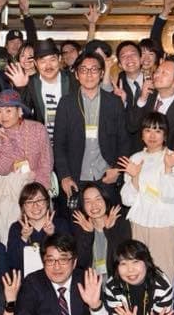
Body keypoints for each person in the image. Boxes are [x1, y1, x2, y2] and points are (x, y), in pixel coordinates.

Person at [53, 52, 129, 206]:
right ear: (76, 74)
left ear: (102, 73)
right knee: (77, 220)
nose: (89, 74)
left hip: (106, 177)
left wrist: (118, 170)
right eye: (83, 70)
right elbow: (59, 144)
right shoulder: (66, 103)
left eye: (94, 69)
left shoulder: (114, 102)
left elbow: (124, 141)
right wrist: (65, 176)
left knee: (109, 219)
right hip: (76, 179)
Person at [118, 112, 174, 283]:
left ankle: (166, 301)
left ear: (165, 135)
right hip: (139, 221)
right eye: (148, 130)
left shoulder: (173, 157)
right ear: (141, 134)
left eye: (158, 131)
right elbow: (127, 200)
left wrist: (168, 169)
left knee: (164, 270)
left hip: (164, 222)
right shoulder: (135, 158)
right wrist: (134, 177)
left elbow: (171, 197)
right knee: (138, 269)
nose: (152, 135)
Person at [0, 90, 53, 244]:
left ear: (20, 111)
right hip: (7, 193)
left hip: (36, 188)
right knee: (11, 237)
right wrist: (6, 143)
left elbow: (46, 162)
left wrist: (38, 193)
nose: (3, 116)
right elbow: (0, 169)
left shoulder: (37, 129)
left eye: (8, 111)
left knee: (41, 236)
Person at [11, 39, 76, 148]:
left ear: (60, 59)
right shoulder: (31, 83)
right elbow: (24, 115)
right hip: (42, 146)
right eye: (43, 61)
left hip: (70, 145)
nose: (48, 66)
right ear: (36, 63)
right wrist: (20, 88)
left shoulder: (73, 79)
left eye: (52, 60)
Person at [125, 57, 174, 150]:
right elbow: (131, 126)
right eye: (157, 71)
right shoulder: (146, 96)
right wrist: (142, 99)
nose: (157, 75)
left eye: (164, 73)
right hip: (138, 155)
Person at [6, 182, 69, 276]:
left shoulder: (60, 224)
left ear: (47, 202)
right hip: (27, 281)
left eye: (39, 200)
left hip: (56, 278)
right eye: (29, 202)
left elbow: (68, 258)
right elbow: (12, 263)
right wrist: (23, 238)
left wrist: (52, 236)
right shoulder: (16, 228)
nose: (35, 206)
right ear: (23, 206)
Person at [73, 183, 131, 278]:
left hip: (116, 281)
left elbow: (124, 259)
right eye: (88, 201)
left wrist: (110, 231)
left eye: (98, 199)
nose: (94, 205)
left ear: (105, 200)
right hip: (91, 281)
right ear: (83, 206)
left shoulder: (120, 223)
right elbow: (81, 263)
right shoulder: (81, 226)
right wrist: (88, 234)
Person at [0, 0, 38, 70]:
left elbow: (32, 36)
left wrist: (26, 12)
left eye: (19, 42)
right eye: (12, 42)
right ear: (6, 45)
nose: (15, 45)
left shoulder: (26, 62)